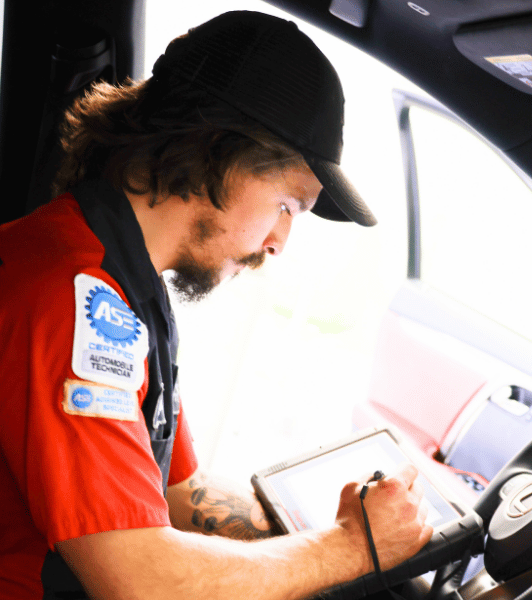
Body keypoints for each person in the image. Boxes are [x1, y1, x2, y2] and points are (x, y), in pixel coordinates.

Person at [0, 10, 433, 600]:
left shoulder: (123, 286)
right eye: (289, 204)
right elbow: (143, 581)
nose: (280, 241)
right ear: (220, 152)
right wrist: (350, 548)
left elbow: (180, 492)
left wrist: (336, 529)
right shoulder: (71, 297)